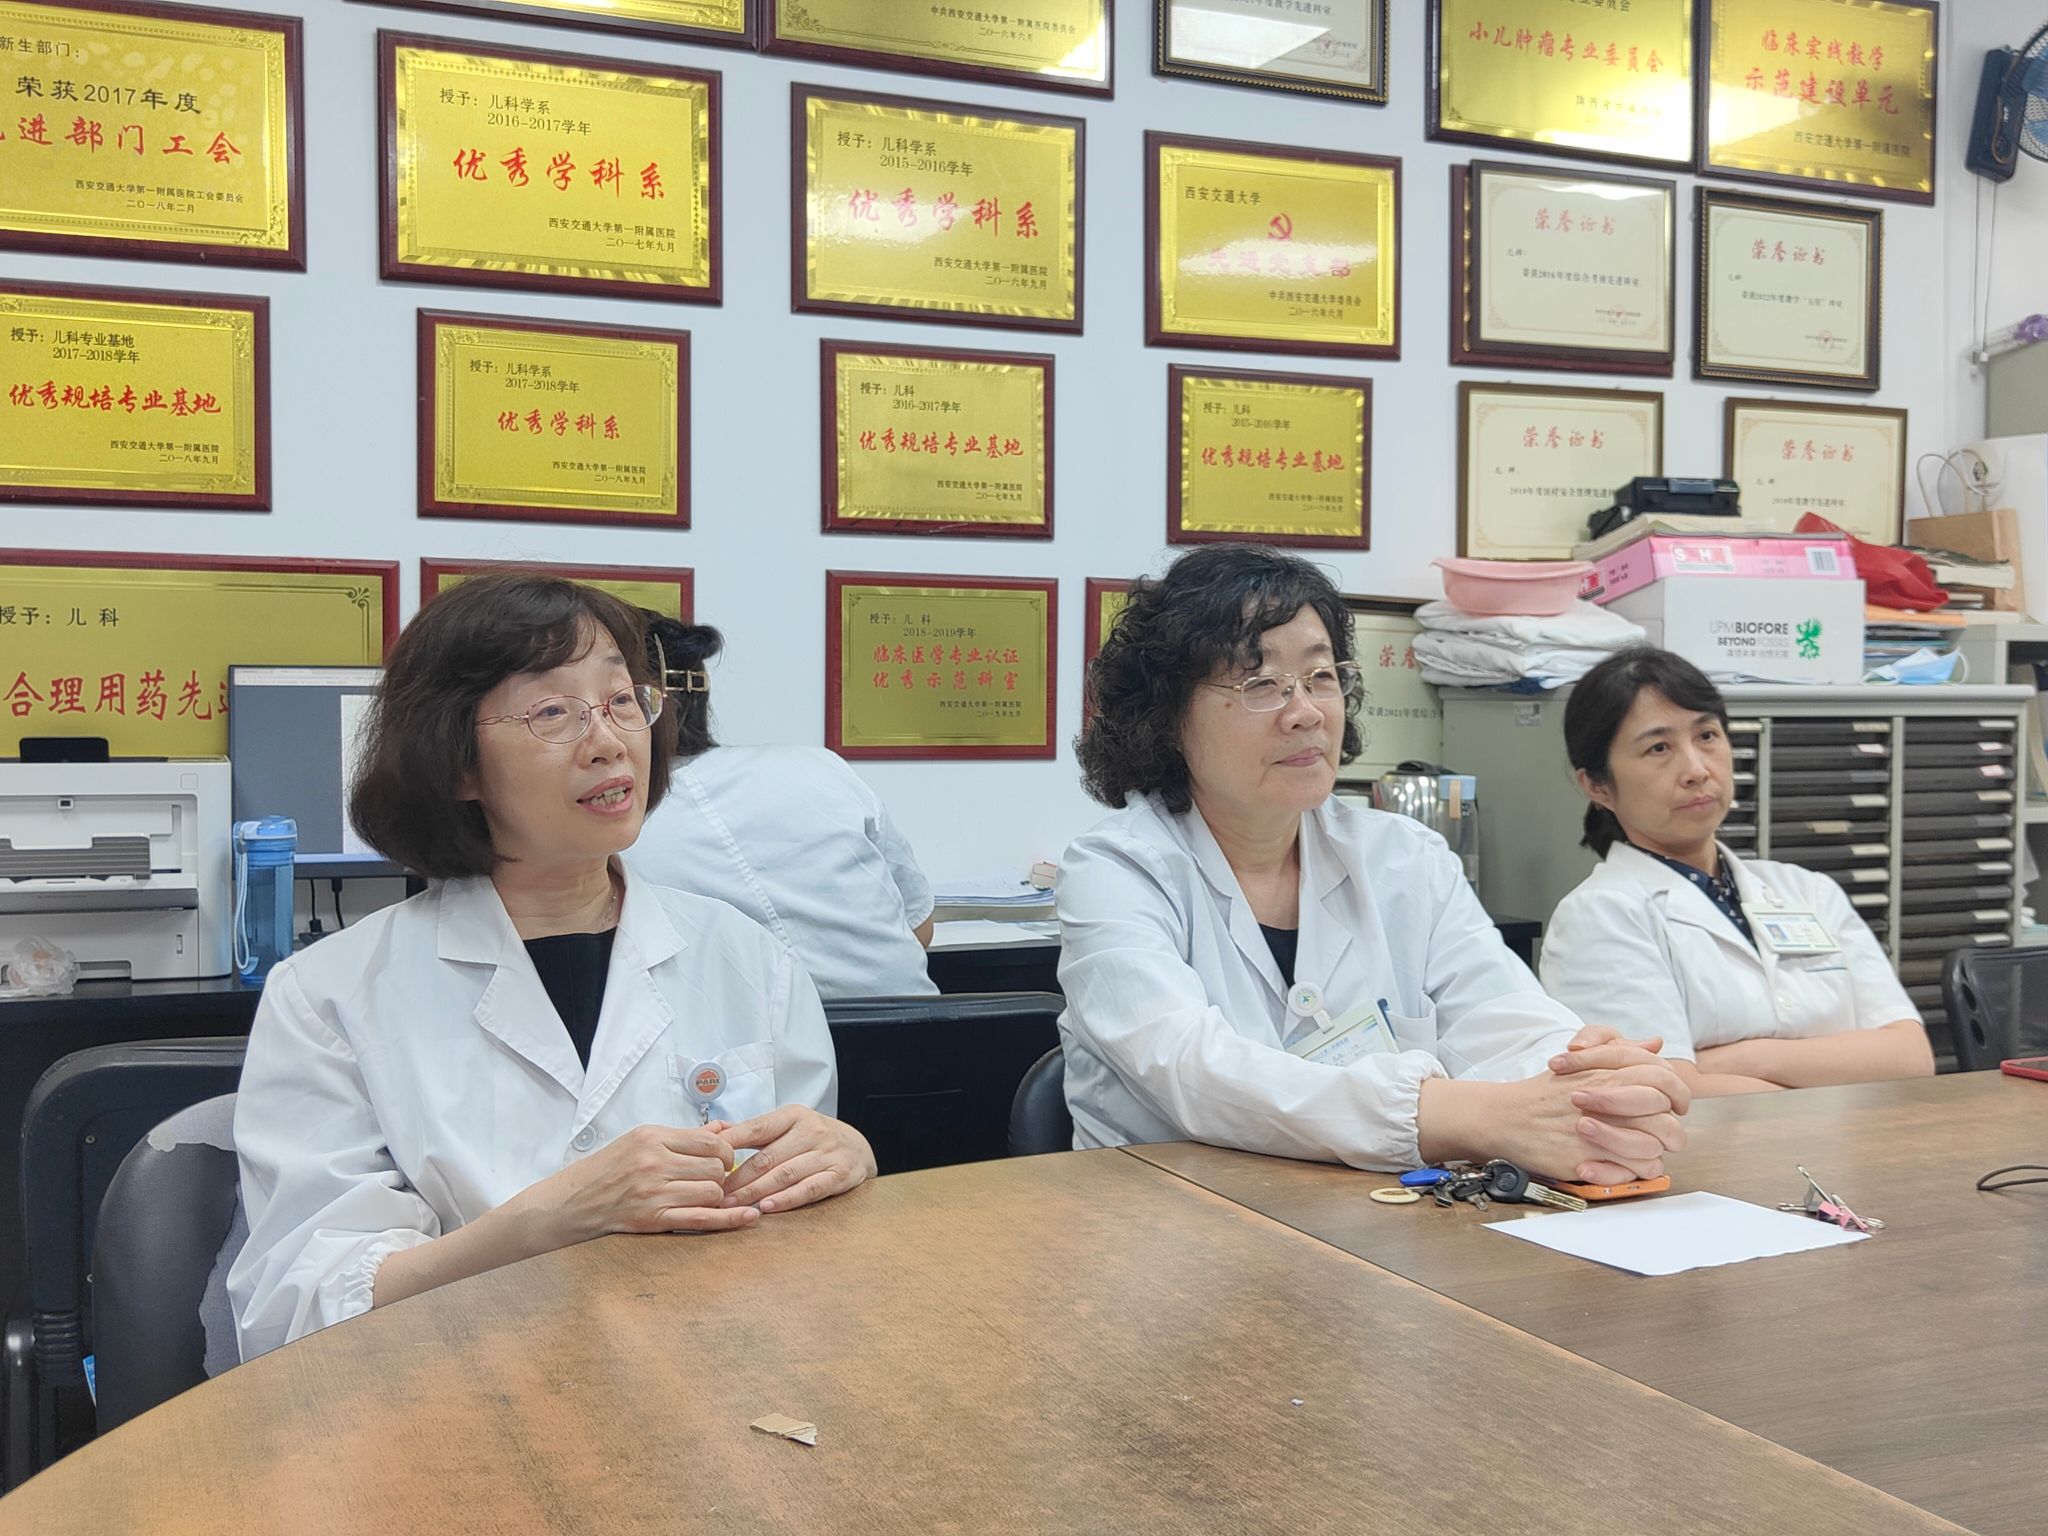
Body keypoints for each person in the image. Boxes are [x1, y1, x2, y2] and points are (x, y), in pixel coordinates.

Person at [228, 575, 875, 1360]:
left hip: (708, 1379)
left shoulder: (746, 957)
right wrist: (550, 1220)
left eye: (621, 701)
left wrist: (840, 1167)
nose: (608, 741)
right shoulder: (329, 995)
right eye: (553, 714)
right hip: (449, 1397)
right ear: (457, 765)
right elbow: (298, 1311)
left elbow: (798, 1251)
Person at [1056, 543, 1688, 1181]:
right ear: (1166, 715)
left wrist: (1587, 1085)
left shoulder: (1404, 857)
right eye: (1260, 683)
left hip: (1368, 1215)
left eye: (1321, 676)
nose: (1306, 712)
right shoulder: (1116, 871)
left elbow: (1505, 1018)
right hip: (1162, 1218)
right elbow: (1195, 1073)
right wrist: (1462, 1115)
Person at [1541, 646, 1934, 1093]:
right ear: (1597, 786)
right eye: (1658, 748)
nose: (1695, 770)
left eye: (1707, 736)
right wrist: (1834, 1076)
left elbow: (1911, 1058)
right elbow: (1663, 1095)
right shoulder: (1599, 915)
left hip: (1847, 1140)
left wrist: (1738, 1059)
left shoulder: (1808, 891)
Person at [624, 614, 938, 999]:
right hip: (920, 1029)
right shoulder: (820, 767)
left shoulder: (623, 825)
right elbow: (921, 929)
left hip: (754, 1037)